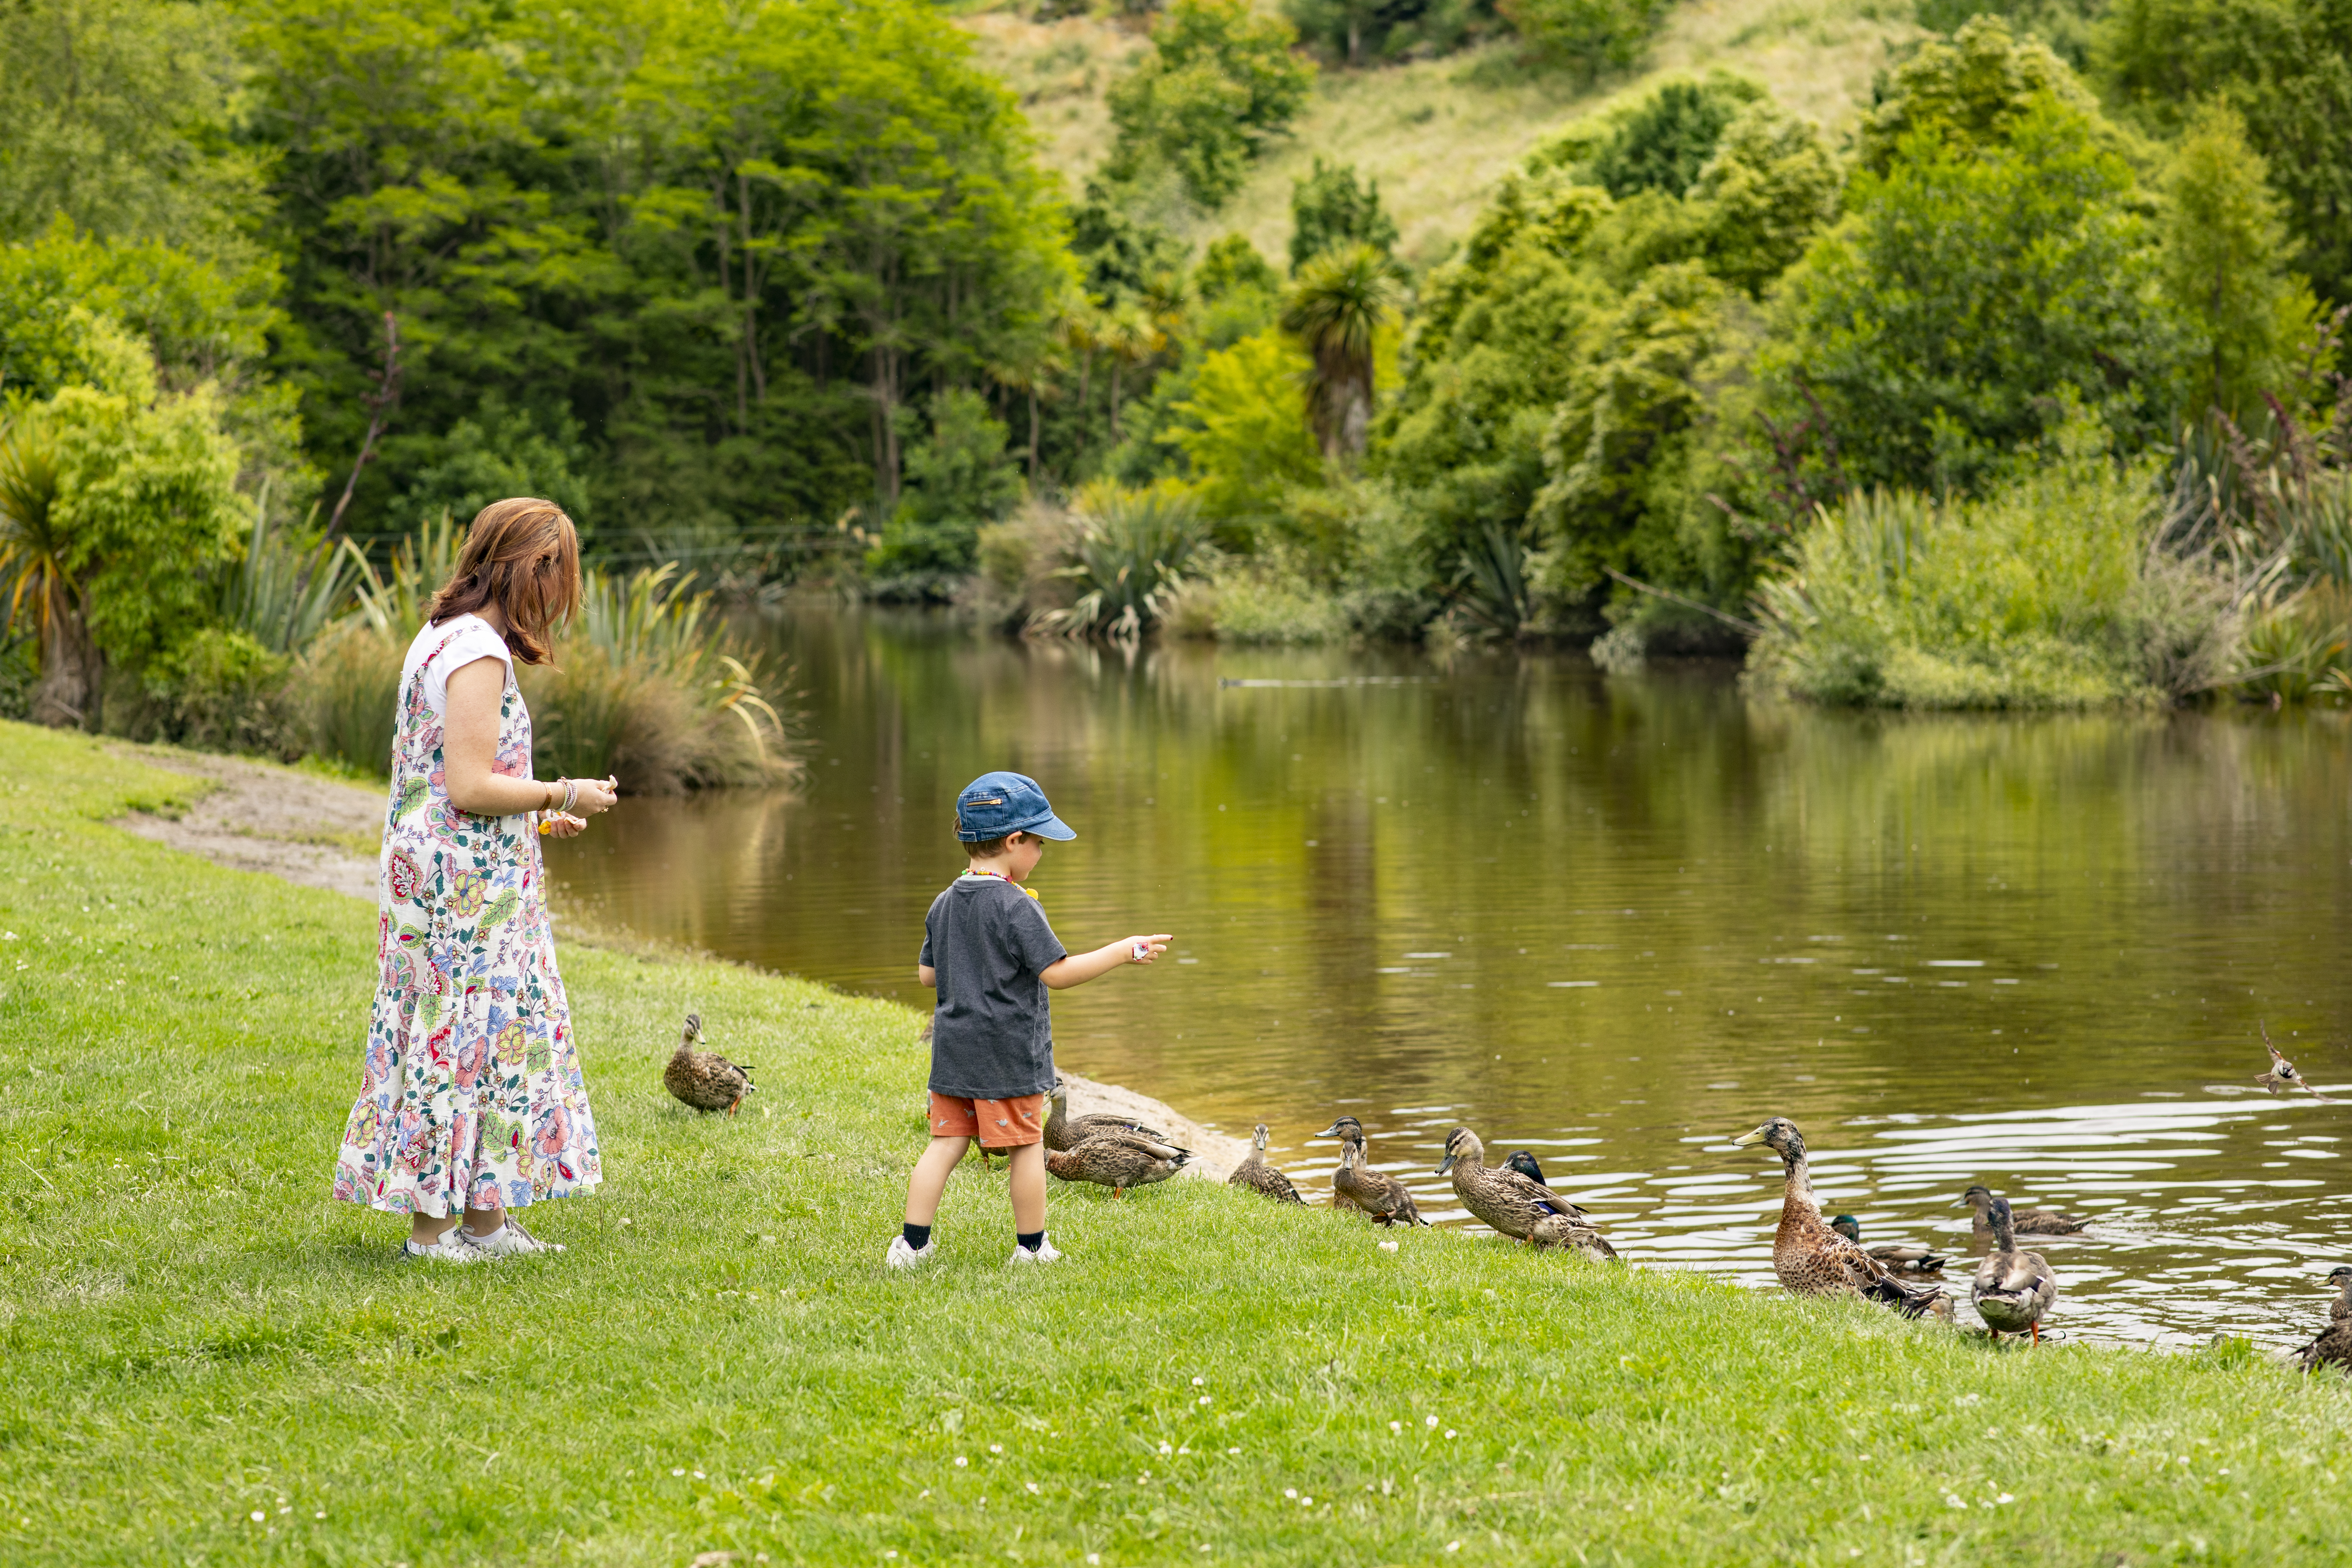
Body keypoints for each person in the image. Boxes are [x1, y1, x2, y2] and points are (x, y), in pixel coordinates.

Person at [331, 497, 618, 1263]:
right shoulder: (478, 652)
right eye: (560, 577)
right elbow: (466, 783)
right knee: (454, 1035)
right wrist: (564, 790)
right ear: (533, 569)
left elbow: (452, 779)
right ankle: (432, 1234)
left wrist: (538, 819)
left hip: (460, 872)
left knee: (489, 1036)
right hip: (459, 891)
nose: (561, 599)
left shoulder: (442, 635)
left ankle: (485, 1223)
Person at [888, 771, 1171, 1268]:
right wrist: (1122, 951)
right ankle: (1033, 1248)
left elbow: (927, 976)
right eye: (1038, 843)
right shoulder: (1017, 906)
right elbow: (1057, 975)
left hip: (954, 1054)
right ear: (1014, 842)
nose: (1041, 852)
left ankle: (910, 1247)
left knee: (945, 1145)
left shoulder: (944, 901)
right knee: (1026, 1148)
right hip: (1007, 1057)